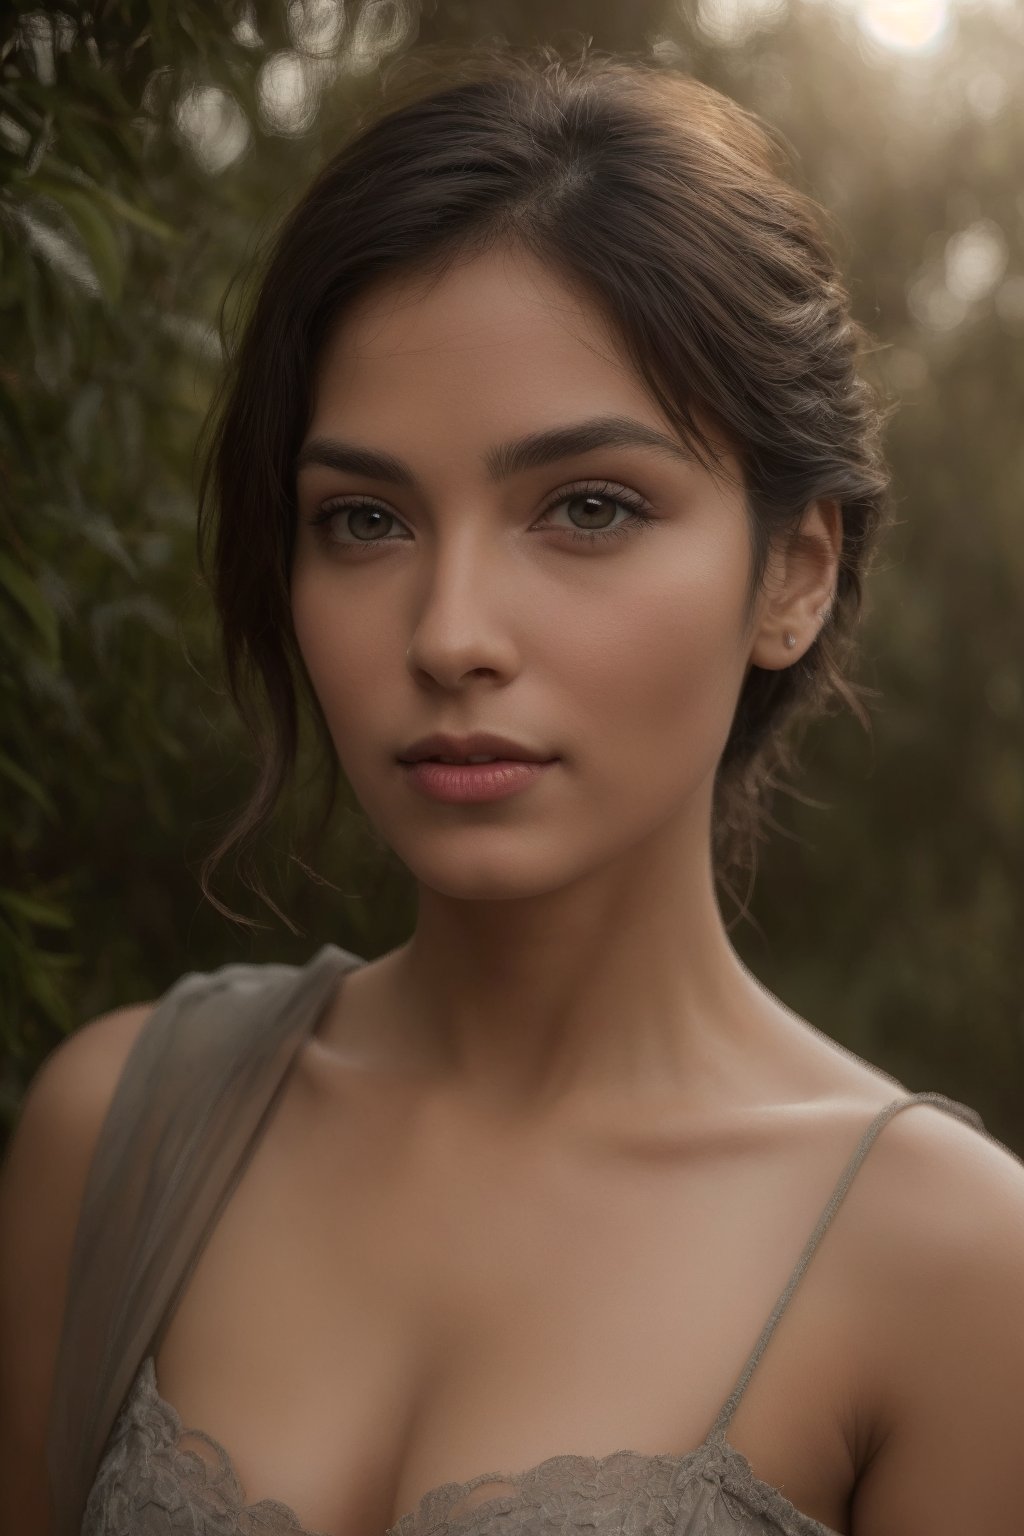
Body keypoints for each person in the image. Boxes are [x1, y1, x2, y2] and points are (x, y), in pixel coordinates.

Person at [2, 40, 1022, 1536]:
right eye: (363, 519)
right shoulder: (116, 1133)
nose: (451, 634)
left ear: (794, 572)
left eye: (589, 508)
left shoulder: (957, 1273)